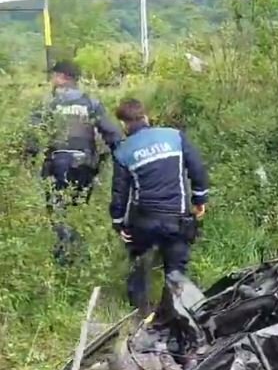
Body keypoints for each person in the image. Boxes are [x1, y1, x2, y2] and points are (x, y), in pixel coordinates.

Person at [110, 98, 210, 315]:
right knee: (176, 271)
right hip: (177, 219)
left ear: (124, 124)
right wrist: (200, 199)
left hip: (143, 222)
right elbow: (197, 168)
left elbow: (120, 193)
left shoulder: (123, 151)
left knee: (138, 263)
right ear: (145, 117)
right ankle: (174, 313)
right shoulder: (174, 136)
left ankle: (139, 311)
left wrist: (119, 224)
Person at [25, 60, 124, 263]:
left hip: (58, 164)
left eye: (54, 76)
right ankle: (79, 256)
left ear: (62, 77)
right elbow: (112, 133)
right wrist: (121, 158)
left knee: (58, 209)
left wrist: (30, 157)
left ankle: (65, 257)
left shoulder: (49, 103)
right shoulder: (91, 103)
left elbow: (33, 135)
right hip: (85, 165)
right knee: (78, 208)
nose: (52, 80)